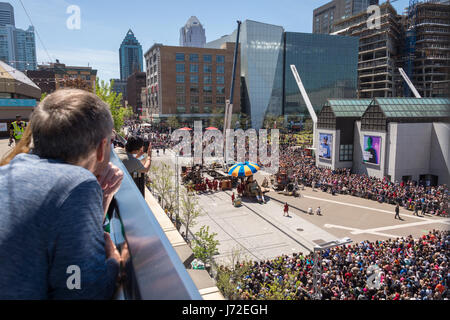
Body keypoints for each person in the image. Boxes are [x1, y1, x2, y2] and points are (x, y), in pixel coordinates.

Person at [0, 89, 123, 299]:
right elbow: (79, 290)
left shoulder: (8, 171)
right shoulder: (77, 185)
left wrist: (104, 196)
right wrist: (116, 262)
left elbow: (60, 236)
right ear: (102, 147)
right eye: (111, 141)